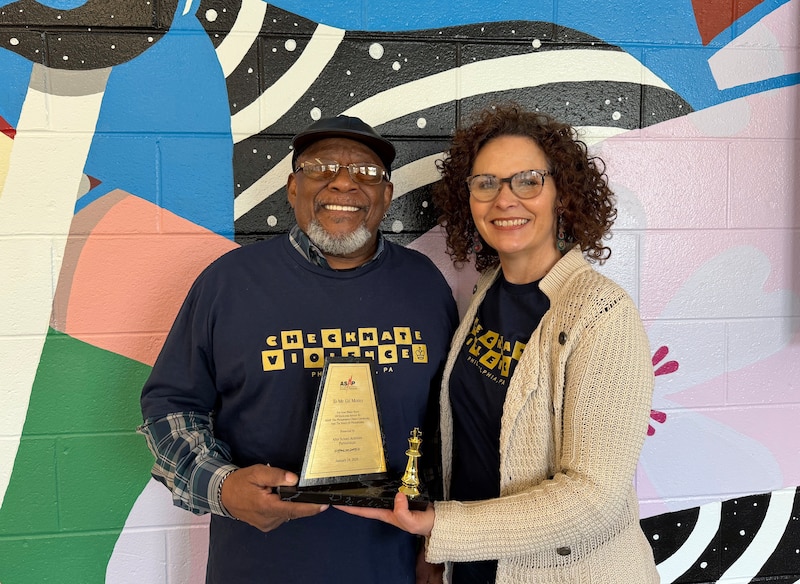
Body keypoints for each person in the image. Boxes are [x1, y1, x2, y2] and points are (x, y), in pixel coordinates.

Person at [340, 104, 660, 583]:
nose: (504, 199)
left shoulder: (601, 312)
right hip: (476, 569)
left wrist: (441, 526)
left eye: (527, 180)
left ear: (561, 194)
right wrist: (439, 548)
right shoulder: (484, 292)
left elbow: (595, 498)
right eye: (485, 183)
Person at [139, 115, 458, 584]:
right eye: (321, 166)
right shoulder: (228, 282)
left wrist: (439, 542)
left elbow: (443, 428)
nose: (344, 181)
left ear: (386, 195)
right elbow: (170, 407)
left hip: (389, 566)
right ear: (292, 188)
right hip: (259, 567)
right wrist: (223, 487)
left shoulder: (425, 284)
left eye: (366, 172)